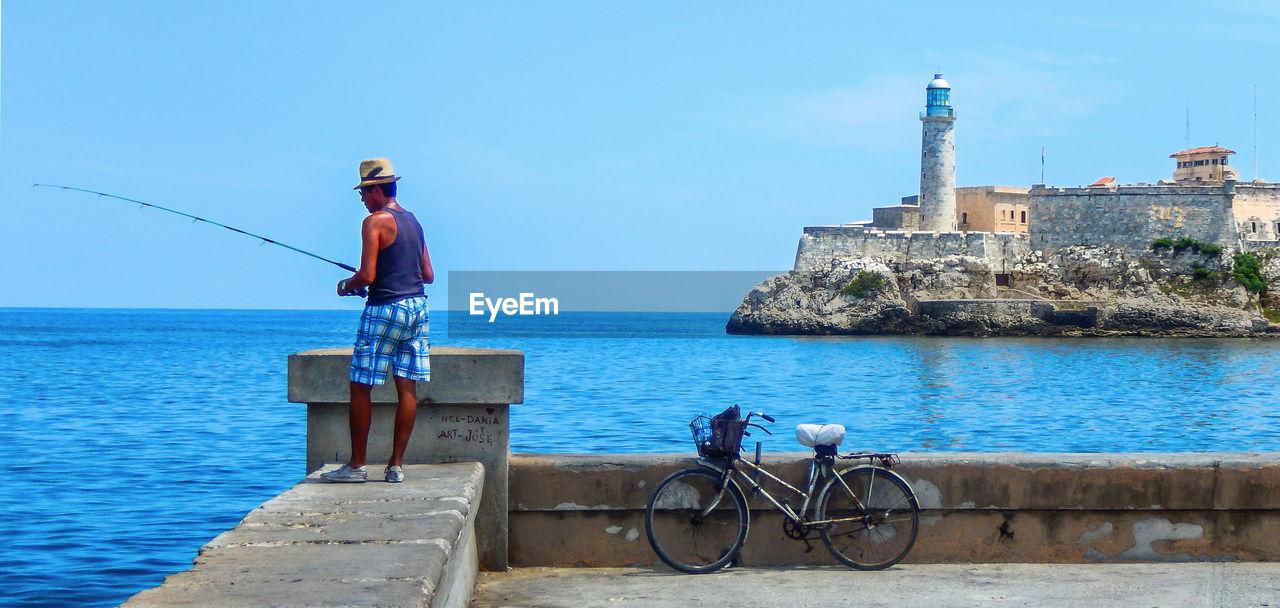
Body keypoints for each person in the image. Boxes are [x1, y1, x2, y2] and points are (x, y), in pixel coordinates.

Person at [321, 158, 434, 483]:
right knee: (406, 385)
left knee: (360, 386)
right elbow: (427, 275)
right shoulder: (413, 221)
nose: (361, 198)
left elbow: (367, 275)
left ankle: (356, 467)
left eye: (364, 192)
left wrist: (347, 286)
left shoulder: (375, 222)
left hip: (385, 309)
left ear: (377, 190)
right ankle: (395, 466)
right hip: (417, 309)